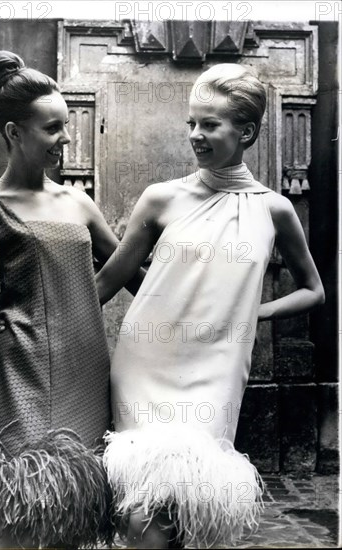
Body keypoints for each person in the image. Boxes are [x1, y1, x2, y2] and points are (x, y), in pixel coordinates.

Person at [95, 63, 325, 548]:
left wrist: (256, 313)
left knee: (193, 498)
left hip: (218, 365)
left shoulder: (274, 208)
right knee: (143, 502)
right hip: (146, 362)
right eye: (192, 124)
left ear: (248, 132)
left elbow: (313, 290)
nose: (196, 135)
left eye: (210, 124)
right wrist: (44, 320)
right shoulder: (161, 199)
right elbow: (110, 278)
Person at [0, 50, 144, 549]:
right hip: (19, 366)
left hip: (85, 367)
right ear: (13, 133)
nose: (65, 139)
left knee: (73, 506)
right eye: (52, 129)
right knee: (20, 507)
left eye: (65, 126)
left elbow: (130, 272)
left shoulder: (77, 203)